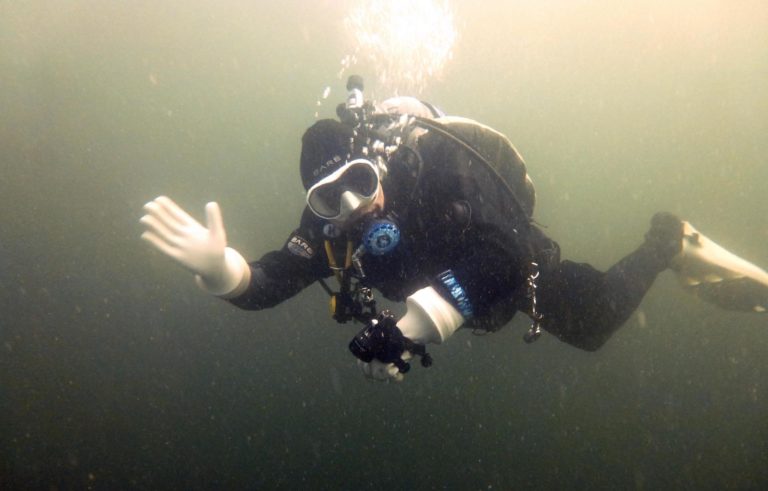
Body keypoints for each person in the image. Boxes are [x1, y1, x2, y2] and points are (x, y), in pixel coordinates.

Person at [140, 77, 768, 382]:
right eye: (329, 197)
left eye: (360, 178)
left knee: (596, 322)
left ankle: (669, 239)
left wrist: (413, 326)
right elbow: (276, 275)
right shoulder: (331, 224)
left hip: (503, 268)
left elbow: (508, 247)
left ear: (378, 159)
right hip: (463, 294)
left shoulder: (436, 164)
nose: (354, 203)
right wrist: (225, 272)